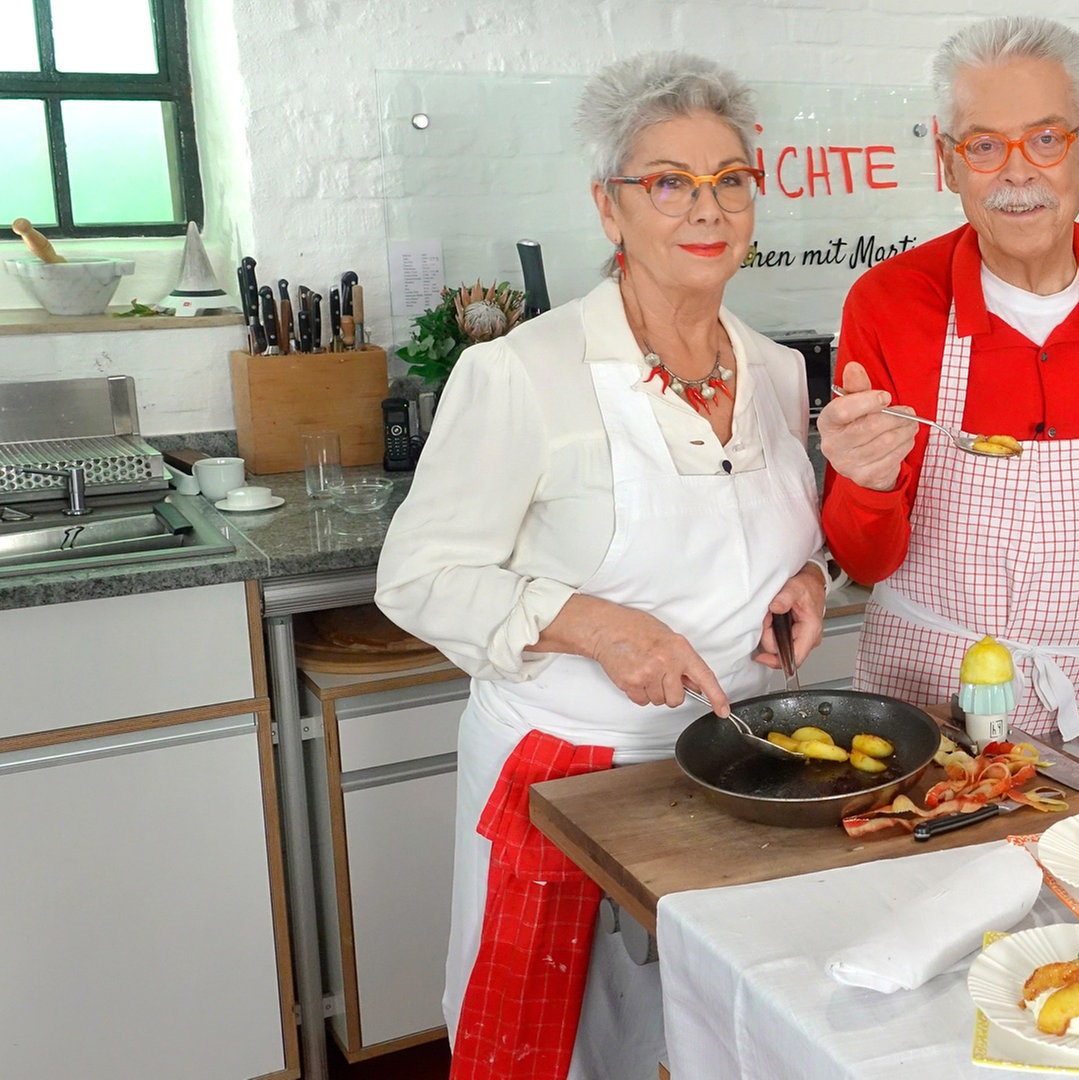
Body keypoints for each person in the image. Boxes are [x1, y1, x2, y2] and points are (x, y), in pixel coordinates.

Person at [375, 52, 826, 1080]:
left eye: (730, 180)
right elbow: (418, 576)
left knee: (717, 1041)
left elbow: (783, 541)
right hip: (572, 780)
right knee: (558, 1056)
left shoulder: (775, 370)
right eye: (668, 182)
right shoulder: (520, 374)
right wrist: (591, 623)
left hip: (737, 777)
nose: (705, 208)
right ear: (609, 208)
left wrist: (811, 584)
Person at [818, 15, 1079, 744]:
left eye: (1047, 138)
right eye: (985, 145)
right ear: (948, 163)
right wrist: (864, 485)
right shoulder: (890, 303)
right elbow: (866, 560)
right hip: (924, 704)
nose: (1019, 171)